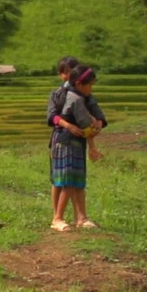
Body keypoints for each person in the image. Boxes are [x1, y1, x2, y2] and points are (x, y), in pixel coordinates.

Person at [46, 56, 106, 227]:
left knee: (77, 180)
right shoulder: (61, 95)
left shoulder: (84, 95)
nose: (67, 75)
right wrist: (73, 126)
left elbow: (95, 112)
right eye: (65, 72)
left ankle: (81, 217)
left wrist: (98, 123)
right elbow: (52, 117)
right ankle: (58, 217)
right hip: (64, 140)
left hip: (78, 141)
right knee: (63, 180)